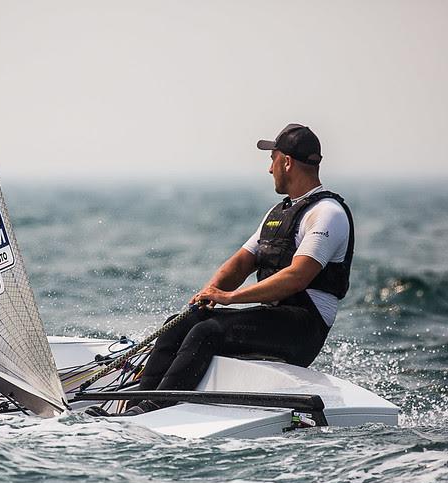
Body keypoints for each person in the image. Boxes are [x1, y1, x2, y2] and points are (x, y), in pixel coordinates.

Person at [124, 123, 355, 415]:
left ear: (286, 162)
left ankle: (156, 409)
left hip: (304, 328)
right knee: (180, 323)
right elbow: (242, 262)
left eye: (272, 160)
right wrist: (208, 293)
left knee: (207, 331)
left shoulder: (327, 214)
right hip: (274, 318)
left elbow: (298, 277)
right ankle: (133, 409)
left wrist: (230, 298)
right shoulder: (279, 214)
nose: (270, 169)